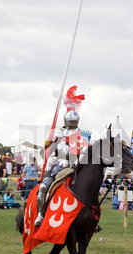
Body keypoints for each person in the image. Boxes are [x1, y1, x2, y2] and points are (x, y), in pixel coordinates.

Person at [34, 86, 88, 227]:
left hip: (74, 169)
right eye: (70, 123)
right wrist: (48, 144)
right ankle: (40, 215)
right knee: (42, 188)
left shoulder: (79, 136)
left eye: (73, 123)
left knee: (87, 189)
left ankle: (89, 217)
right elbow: (49, 151)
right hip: (57, 168)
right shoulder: (59, 134)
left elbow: (84, 153)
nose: (71, 126)